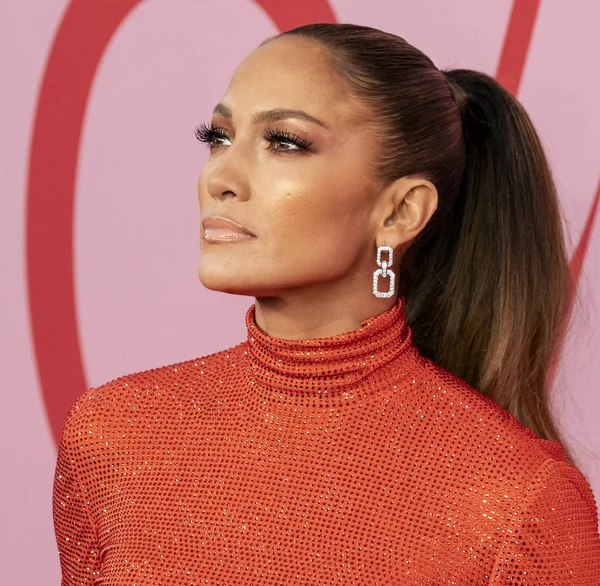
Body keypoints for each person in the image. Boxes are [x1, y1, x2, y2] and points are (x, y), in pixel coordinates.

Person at [53, 23, 600, 584]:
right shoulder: (114, 436)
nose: (220, 176)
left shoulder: (520, 503)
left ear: (400, 212)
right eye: (217, 136)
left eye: (284, 142)